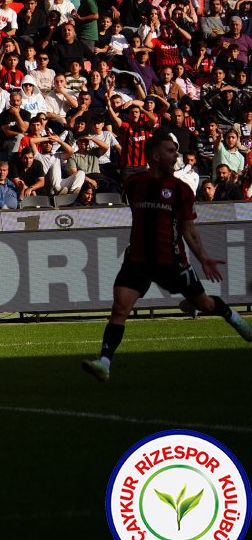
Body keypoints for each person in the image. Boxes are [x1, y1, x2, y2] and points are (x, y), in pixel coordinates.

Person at [82, 132, 252, 382]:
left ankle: (232, 316)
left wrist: (203, 257)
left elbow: (187, 228)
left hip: (171, 261)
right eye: (171, 151)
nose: (176, 156)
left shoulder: (181, 190)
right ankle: (105, 362)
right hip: (137, 260)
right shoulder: (134, 183)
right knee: (119, 309)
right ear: (155, 155)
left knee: (205, 304)